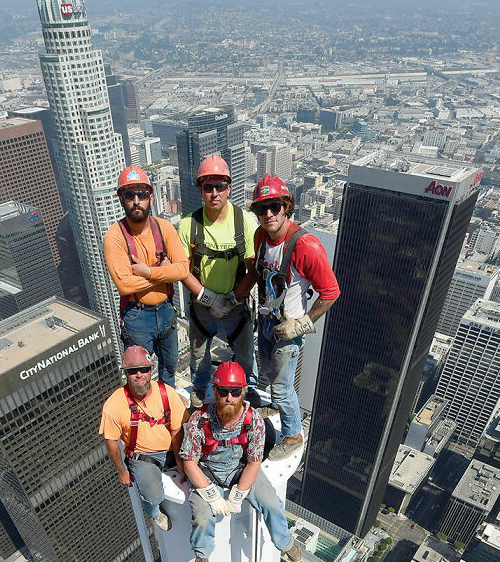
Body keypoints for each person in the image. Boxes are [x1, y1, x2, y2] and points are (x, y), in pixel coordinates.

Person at [233, 175, 340, 459]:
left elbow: (330, 291)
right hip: (267, 320)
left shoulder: (306, 246)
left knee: (281, 388)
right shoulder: (260, 237)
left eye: (275, 207)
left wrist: (302, 324)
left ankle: (293, 435)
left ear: (287, 207)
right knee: (267, 373)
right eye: (261, 208)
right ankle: (275, 408)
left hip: (288, 327)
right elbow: (256, 272)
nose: (268, 214)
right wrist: (235, 297)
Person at [180, 361, 302, 562]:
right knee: (201, 516)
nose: (229, 398)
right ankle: (202, 553)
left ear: (243, 392)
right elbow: (190, 462)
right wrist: (209, 494)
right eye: (224, 391)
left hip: (240, 469)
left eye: (235, 392)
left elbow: (254, 461)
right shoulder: (200, 421)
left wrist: (239, 494)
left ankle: (285, 542)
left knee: (271, 503)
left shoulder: (252, 419)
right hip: (208, 472)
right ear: (215, 391)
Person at [178, 154, 259, 408]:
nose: (214, 193)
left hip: (236, 300)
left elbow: (254, 268)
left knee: (245, 351)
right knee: (199, 353)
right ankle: (200, 387)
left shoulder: (244, 221)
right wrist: (208, 298)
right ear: (200, 190)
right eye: (208, 187)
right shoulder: (188, 226)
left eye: (220, 186)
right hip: (204, 304)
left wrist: (234, 298)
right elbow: (183, 270)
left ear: (229, 188)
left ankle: (250, 388)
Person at [104, 165, 189, 386]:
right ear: (121, 199)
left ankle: (167, 414)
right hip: (137, 316)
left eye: (141, 194)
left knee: (169, 371)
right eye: (129, 194)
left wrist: (147, 271)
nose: (136, 200)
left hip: (167, 311)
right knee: (139, 379)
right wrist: (164, 272)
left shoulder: (164, 228)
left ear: (150, 197)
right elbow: (124, 285)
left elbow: (183, 269)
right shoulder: (115, 237)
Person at [99, 345, 188, 532]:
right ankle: (154, 512)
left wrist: (180, 459)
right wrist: (121, 471)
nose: (139, 374)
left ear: (150, 370)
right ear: (126, 374)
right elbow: (111, 442)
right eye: (133, 371)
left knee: (198, 469)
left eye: (144, 369)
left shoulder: (167, 393)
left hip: (172, 448)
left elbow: (177, 429)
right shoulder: (114, 405)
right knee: (153, 496)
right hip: (144, 456)